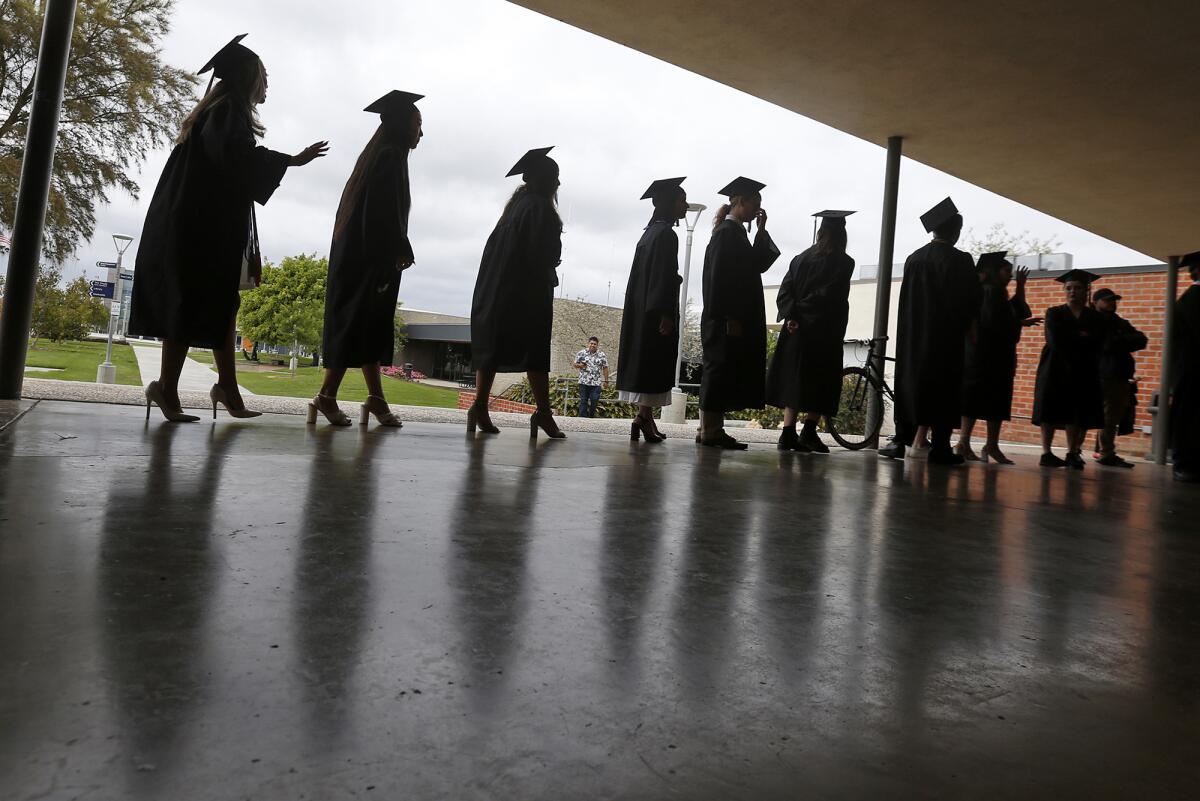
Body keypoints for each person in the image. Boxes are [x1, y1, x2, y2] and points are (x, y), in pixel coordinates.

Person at [128, 34, 328, 422]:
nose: (267, 84)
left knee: (217, 304)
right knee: (196, 305)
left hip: (196, 223)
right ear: (247, 78)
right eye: (263, 76)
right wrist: (291, 160)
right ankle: (175, 390)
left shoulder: (220, 111)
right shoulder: (226, 113)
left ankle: (218, 390)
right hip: (199, 228)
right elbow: (237, 159)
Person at [309, 90, 423, 429]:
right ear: (403, 125)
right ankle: (327, 397)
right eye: (417, 124)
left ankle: (375, 399)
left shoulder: (377, 157)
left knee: (366, 328)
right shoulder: (389, 158)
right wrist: (394, 255)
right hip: (370, 260)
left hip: (360, 258)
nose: (421, 132)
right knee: (357, 327)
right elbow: (381, 216)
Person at [469, 147, 566, 439]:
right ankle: (544, 414)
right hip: (527, 294)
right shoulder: (540, 208)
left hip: (497, 290)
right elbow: (541, 254)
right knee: (535, 352)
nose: (559, 184)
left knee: (492, 350)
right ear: (547, 180)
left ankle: (480, 407)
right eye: (556, 177)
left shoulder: (514, 209)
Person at [879, 198, 980, 464]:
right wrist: (969, 327)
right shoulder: (960, 260)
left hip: (913, 336)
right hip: (945, 338)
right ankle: (941, 447)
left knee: (912, 382)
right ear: (955, 231)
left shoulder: (914, 259)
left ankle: (902, 439)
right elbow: (969, 300)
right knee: (943, 387)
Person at [697, 177, 780, 449]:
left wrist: (762, 229)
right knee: (717, 371)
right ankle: (710, 431)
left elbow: (757, 265)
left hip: (726, 317)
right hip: (723, 318)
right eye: (755, 203)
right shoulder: (726, 234)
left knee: (721, 371)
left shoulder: (736, 233)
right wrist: (730, 316)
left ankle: (710, 429)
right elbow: (719, 279)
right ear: (741, 202)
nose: (758, 209)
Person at [766, 210, 856, 453]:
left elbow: (785, 291)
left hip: (797, 331)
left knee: (796, 379)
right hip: (824, 332)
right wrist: (802, 314)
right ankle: (808, 431)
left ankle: (787, 434)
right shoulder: (844, 263)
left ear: (821, 232)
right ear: (842, 234)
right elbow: (830, 296)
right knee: (822, 381)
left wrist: (793, 316)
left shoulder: (799, 259)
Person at [616, 177, 687, 442]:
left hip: (642, 310)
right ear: (669, 203)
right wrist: (665, 314)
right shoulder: (666, 235)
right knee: (653, 363)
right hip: (656, 311)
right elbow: (662, 276)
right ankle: (644, 418)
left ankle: (645, 416)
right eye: (681, 200)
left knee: (648, 363)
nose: (686, 205)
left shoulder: (649, 234)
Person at [956, 254, 1040, 463]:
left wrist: (1020, 288)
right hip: (986, 357)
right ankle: (969, 444)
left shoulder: (995, 292)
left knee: (991, 400)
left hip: (991, 356)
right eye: (1006, 271)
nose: (1010, 276)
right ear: (994, 271)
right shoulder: (990, 291)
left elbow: (1010, 313)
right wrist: (1019, 323)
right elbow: (993, 323)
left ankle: (983, 445)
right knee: (979, 399)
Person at [1032, 269, 1106, 469]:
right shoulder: (1054, 312)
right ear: (1064, 290)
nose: (1073, 291)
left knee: (1077, 411)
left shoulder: (1095, 317)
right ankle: (1046, 453)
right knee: (1049, 408)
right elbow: (1055, 340)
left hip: (1083, 370)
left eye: (1078, 288)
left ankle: (1073, 452)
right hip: (1054, 368)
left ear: (1086, 290)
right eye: (1069, 288)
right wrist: (1081, 336)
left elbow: (1098, 341)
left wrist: (1076, 336)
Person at [1091, 287, 1147, 467]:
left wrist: (1119, 340)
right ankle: (1105, 453)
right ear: (1095, 302)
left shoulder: (1118, 322)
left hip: (1120, 375)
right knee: (1107, 417)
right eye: (1107, 300)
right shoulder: (1094, 321)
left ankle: (1105, 451)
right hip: (1105, 374)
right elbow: (1106, 344)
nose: (1112, 303)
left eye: (1114, 300)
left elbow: (1141, 339)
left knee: (1112, 417)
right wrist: (1123, 340)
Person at [1170, 251, 1200, 482]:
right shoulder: (1192, 298)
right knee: (1189, 415)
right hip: (1192, 369)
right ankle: (1184, 463)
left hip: (1190, 368)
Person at [573, 337, 609, 418]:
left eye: (594, 344)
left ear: (597, 345)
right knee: (583, 400)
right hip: (583, 381)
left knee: (595, 399)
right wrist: (580, 365)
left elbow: (605, 367)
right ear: (588, 344)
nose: (593, 345)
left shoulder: (601, 355)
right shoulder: (581, 353)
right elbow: (575, 364)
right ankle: (583, 419)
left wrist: (606, 381)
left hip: (596, 383)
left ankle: (591, 415)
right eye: (591, 343)